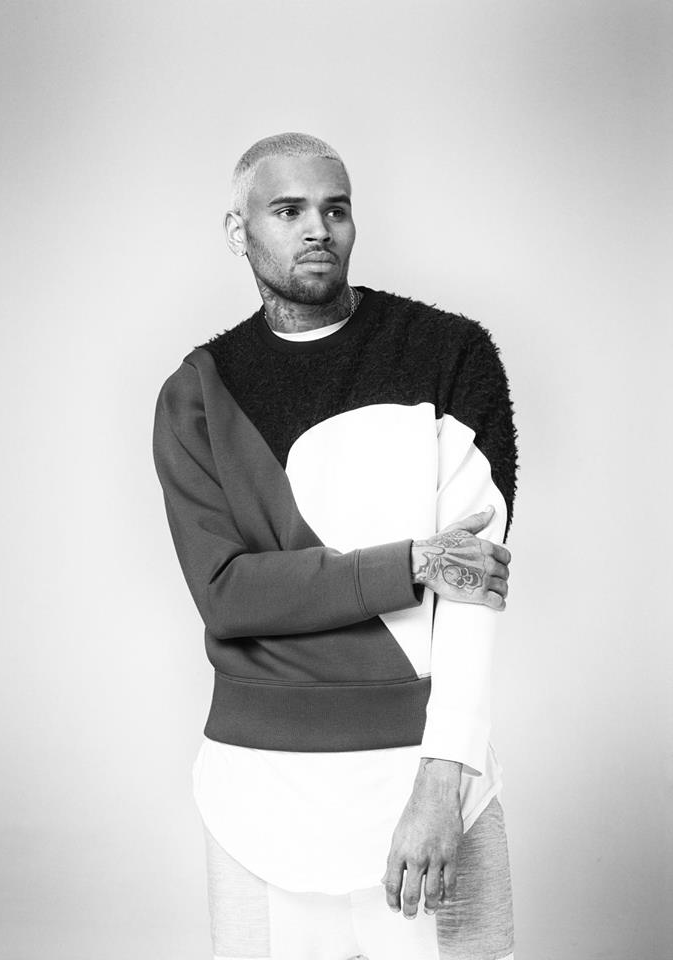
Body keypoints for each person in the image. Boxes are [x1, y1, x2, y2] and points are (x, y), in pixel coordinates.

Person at [152, 132, 518, 960]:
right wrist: (409, 563)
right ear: (239, 229)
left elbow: (474, 589)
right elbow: (227, 594)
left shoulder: (448, 355)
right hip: (256, 788)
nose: (317, 228)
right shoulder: (197, 392)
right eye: (287, 210)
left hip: (422, 772)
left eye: (335, 209)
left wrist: (444, 775)